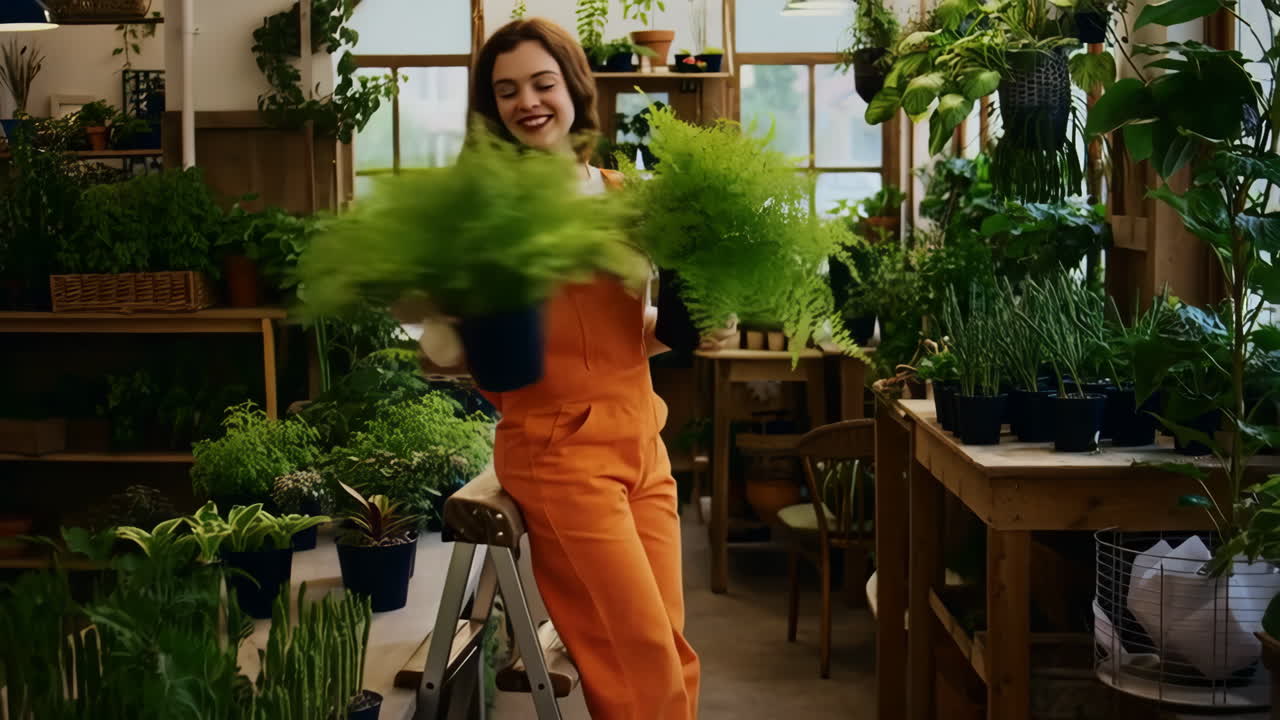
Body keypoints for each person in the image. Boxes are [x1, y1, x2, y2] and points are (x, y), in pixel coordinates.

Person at [413, 17, 702, 720]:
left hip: (642, 440)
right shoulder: (490, 217)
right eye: (507, 91)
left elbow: (627, 341)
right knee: (636, 661)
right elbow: (448, 354)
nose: (528, 101)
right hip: (559, 453)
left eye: (542, 82)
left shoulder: (626, 196)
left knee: (670, 649)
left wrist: (701, 317)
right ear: (493, 110)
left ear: (573, 88)